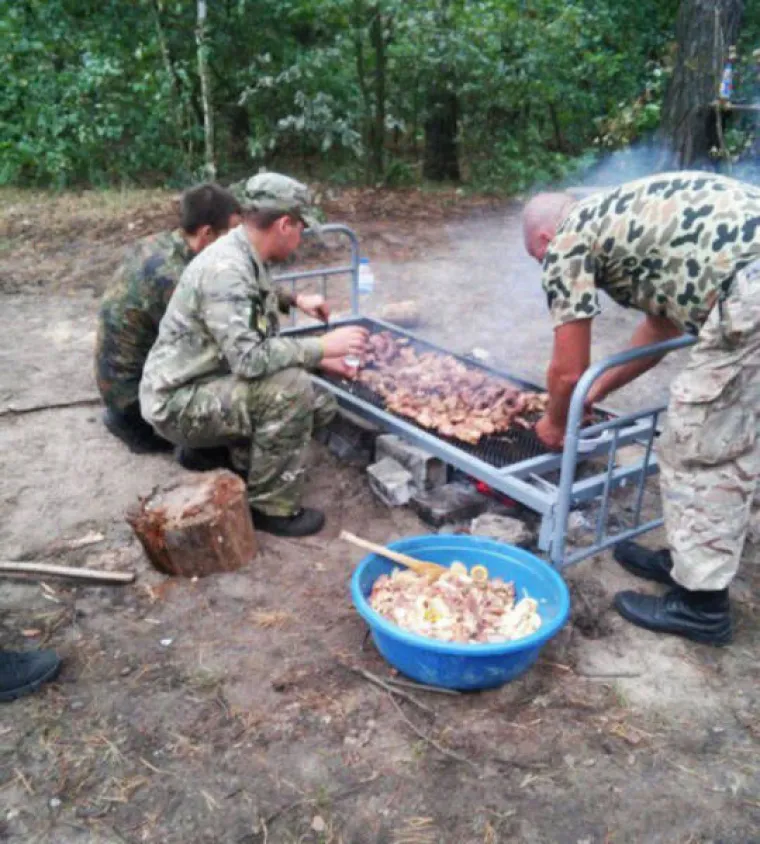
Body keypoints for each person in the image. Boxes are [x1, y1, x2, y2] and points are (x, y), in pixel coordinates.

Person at [522, 172, 760, 646]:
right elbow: (661, 330)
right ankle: (690, 564)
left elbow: (567, 371)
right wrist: (593, 396)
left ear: (545, 238)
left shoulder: (566, 243)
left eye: (537, 258)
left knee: (697, 448)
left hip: (749, 297)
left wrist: (553, 420)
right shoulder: (624, 216)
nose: (544, 267)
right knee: (727, 434)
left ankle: (702, 608)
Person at [140, 172, 368, 537]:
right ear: (283, 224)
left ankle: (209, 452)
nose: (301, 238)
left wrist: (298, 304)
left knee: (318, 402)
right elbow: (249, 360)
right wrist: (322, 348)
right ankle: (271, 507)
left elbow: (253, 299)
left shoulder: (240, 247)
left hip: (202, 380)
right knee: (290, 390)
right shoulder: (226, 270)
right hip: (177, 402)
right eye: (301, 228)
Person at [95, 183, 243, 453]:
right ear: (207, 233)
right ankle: (187, 447)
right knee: (237, 389)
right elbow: (224, 335)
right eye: (232, 234)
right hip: (135, 402)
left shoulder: (159, 244)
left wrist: (290, 298)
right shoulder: (172, 277)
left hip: (118, 386)